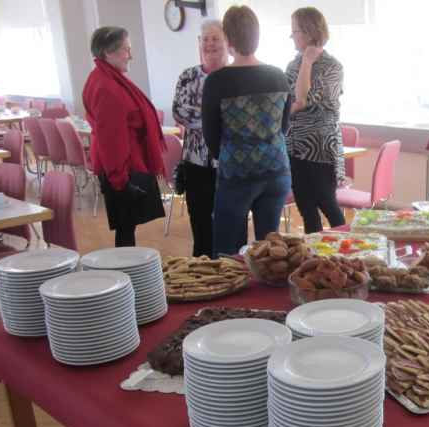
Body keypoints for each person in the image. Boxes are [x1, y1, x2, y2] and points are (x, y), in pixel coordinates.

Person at [202, 5, 291, 257]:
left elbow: (211, 135)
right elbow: (284, 126)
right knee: (270, 251)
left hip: (237, 173)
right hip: (276, 170)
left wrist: (232, 153)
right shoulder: (278, 76)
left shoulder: (217, 81)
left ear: (228, 39)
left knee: (228, 251)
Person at [83, 26, 165, 247]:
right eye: (126, 49)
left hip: (123, 166)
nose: (130, 55)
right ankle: (127, 268)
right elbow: (111, 140)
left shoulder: (102, 77)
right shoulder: (106, 86)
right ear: (108, 53)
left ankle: (128, 266)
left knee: (126, 229)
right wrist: (121, 180)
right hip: (122, 170)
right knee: (126, 232)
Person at [285, 7, 345, 234]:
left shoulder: (333, 67)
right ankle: (314, 253)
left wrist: (307, 63)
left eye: (295, 31)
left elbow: (303, 99)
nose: (291, 36)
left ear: (309, 32)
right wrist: (303, 63)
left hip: (320, 148)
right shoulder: (292, 65)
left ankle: (349, 248)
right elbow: (287, 103)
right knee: (306, 209)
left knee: (327, 203)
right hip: (295, 146)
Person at [172, 19, 229, 258]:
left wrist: (201, 115)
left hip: (228, 163)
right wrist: (217, 116)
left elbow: (237, 119)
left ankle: (228, 268)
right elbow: (179, 113)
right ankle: (201, 268)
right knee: (200, 223)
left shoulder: (235, 76)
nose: (209, 44)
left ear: (227, 42)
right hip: (195, 163)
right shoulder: (188, 76)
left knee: (228, 224)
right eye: (205, 39)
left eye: (215, 38)